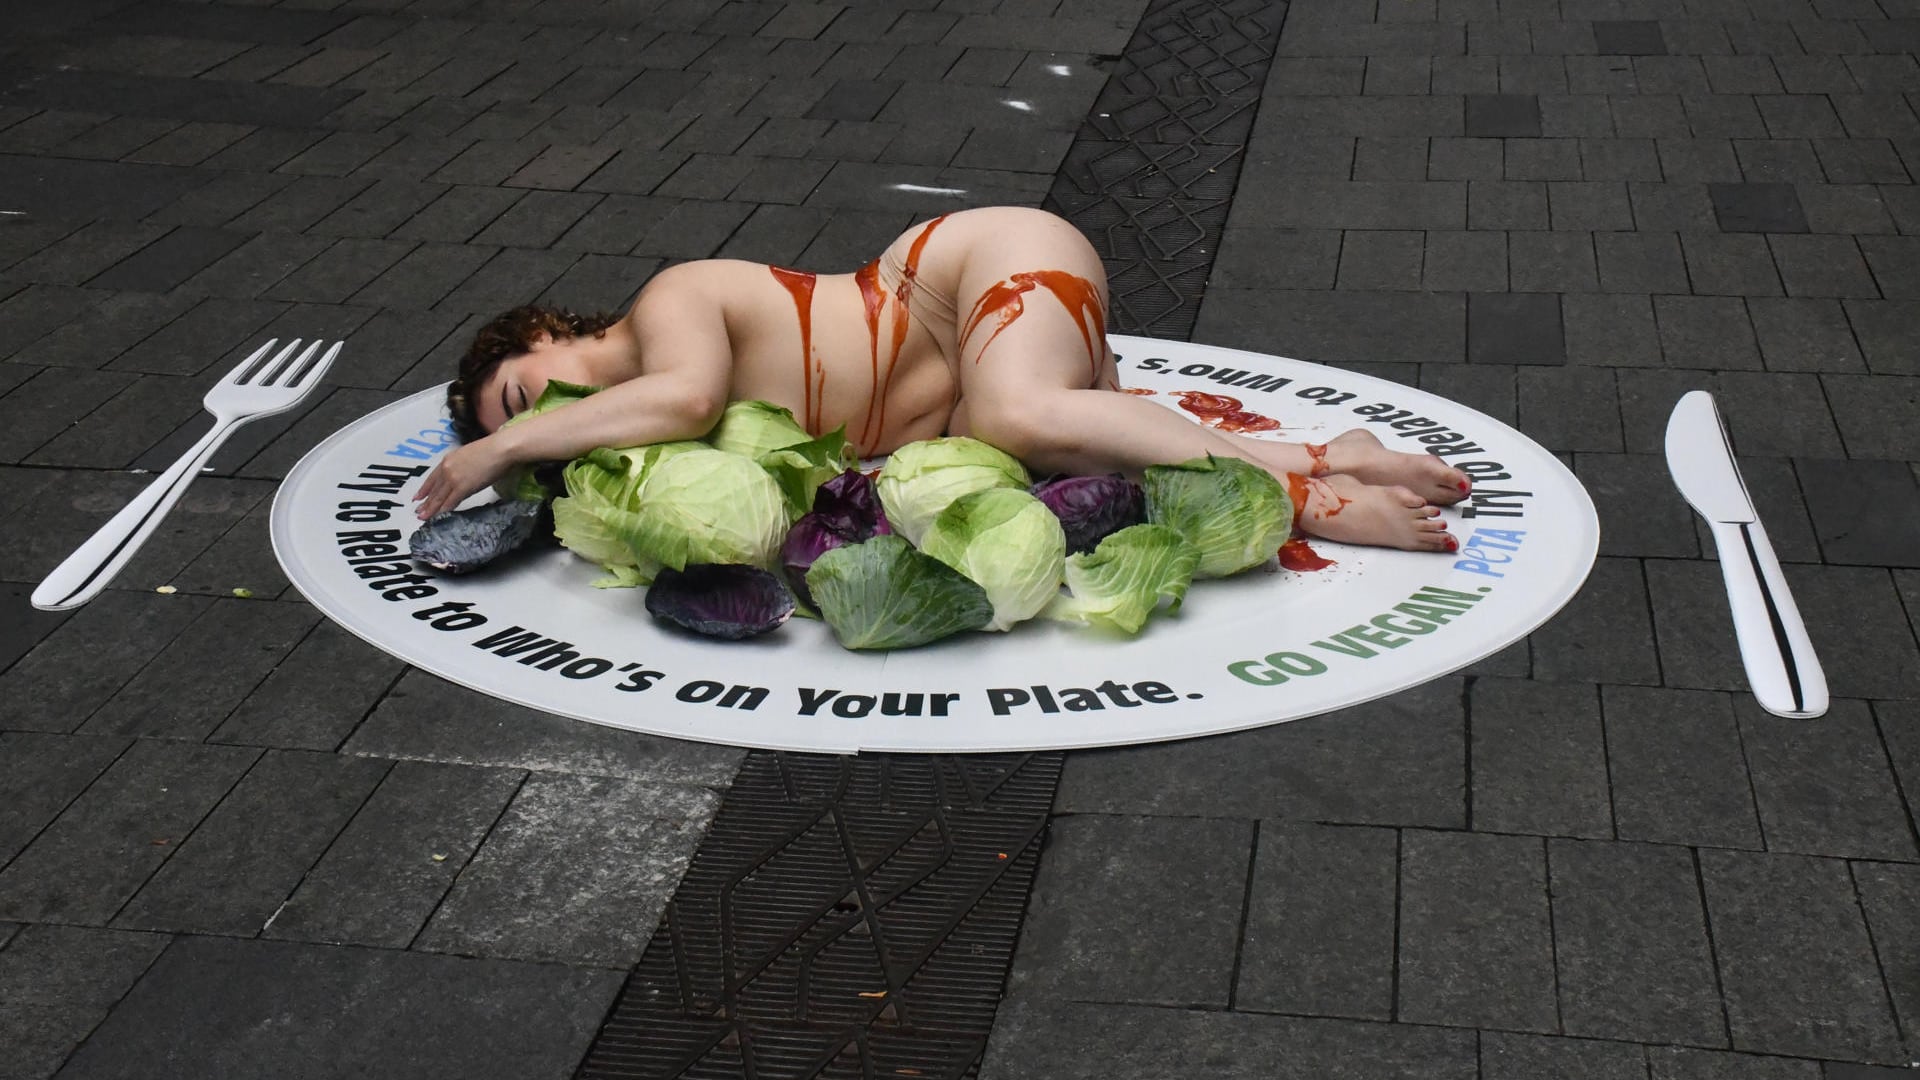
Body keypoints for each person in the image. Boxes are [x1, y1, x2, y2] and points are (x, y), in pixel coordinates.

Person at [413, 206, 1467, 552]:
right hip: (978, 374)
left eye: (523, 389)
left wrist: (502, 444)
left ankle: (1303, 498)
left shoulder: (667, 301)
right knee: (1019, 443)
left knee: (1013, 412)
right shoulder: (641, 432)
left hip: (972, 274)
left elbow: (687, 395)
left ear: (546, 334)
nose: (552, 416)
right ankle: (1331, 456)